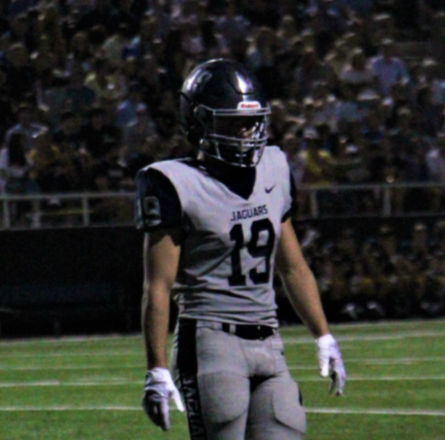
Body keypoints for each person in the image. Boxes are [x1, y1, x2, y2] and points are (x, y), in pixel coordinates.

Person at [135, 58, 346, 440]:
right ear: (200, 122)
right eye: (233, 121)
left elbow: (293, 266)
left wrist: (323, 334)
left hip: (269, 338)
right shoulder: (172, 182)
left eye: (252, 120)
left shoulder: (274, 167)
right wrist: (157, 367)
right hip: (211, 341)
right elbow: (159, 286)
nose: (247, 131)